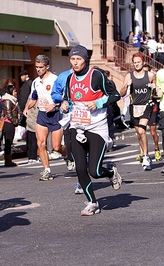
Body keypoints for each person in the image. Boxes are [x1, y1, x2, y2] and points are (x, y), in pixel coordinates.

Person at [60, 44, 122, 216]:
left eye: (78, 59)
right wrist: (64, 106)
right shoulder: (69, 78)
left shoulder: (96, 75)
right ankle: (92, 202)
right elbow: (68, 101)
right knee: (80, 168)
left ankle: (110, 171)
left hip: (96, 126)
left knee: (94, 171)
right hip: (77, 126)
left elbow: (115, 95)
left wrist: (98, 103)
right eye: (72, 59)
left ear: (85, 60)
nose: (75, 62)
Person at [23, 55, 61, 181]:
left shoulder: (55, 79)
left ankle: (67, 157)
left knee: (56, 147)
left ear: (47, 67)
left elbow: (65, 97)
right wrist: (27, 108)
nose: (38, 70)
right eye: (36, 67)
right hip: (42, 115)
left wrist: (55, 104)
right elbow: (33, 97)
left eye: (41, 67)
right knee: (41, 143)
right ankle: (47, 170)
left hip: (56, 114)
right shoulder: (36, 82)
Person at [120, 53, 156, 170]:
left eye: (138, 62)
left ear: (143, 62)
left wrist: (153, 88)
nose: (136, 64)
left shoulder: (150, 75)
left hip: (146, 105)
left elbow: (155, 90)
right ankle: (143, 153)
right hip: (134, 107)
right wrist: (126, 86)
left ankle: (146, 156)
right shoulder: (129, 76)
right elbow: (121, 93)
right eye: (134, 62)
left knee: (141, 130)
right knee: (139, 134)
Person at [0, 78, 20, 167]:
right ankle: (8, 161)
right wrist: (15, 121)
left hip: (10, 123)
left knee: (9, 142)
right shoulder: (8, 100)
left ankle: (9, 160)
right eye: (15, 91)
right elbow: (8, 113)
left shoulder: (11, 100)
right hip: (8, 123)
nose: (16, 93)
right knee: (8, 142)